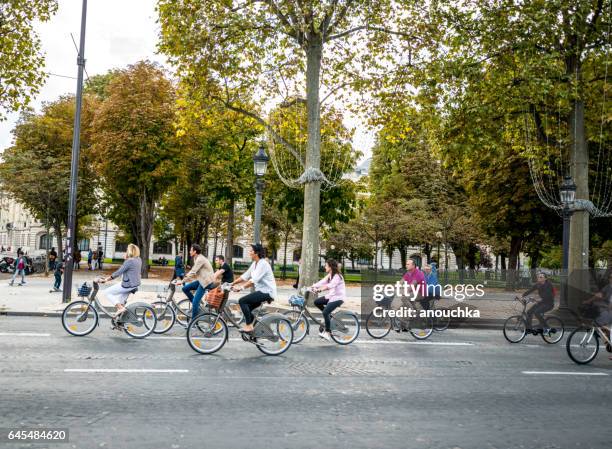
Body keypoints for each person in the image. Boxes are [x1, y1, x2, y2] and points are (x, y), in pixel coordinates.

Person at [231, 244, 277, 333]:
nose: (249, 252)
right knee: (247, 309)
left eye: (251, 251)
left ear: (257, 253)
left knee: (242, 301)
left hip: (267, 292)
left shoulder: (263, 263)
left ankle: (249, 326)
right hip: (261, 291)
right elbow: (245, 276)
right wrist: (232, 283)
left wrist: (241, 288)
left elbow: (253, 280)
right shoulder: (255, 263)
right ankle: (256, 329)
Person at [100, 243, 142, 319]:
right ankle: (120, 321)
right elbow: (131, 269)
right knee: (120, 302)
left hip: (127, 285)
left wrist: (106, 280)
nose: (126, 251)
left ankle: (121, 308)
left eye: (127, 250)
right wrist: (126, 259)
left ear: (130, 251)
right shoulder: (138, 260)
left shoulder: (129, 261)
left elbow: (119, 272)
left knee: (107, 292)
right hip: (134, 284)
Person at [309, 258, 346, 342]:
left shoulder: (337, 276)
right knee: (317, 302)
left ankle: (328, 333)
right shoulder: (330, 275)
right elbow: (322, 282)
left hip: (338, 298)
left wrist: (320, 289)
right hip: (331, 296)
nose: (325, 267)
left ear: (330, 267)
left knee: (325, 312)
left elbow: (330, 285)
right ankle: (328, 317)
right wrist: (312, 286)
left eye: (326, 265)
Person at [175, 244, 214, 320]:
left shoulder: (200, 259)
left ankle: (193, 322)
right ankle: (197, 306)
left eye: (190, 250)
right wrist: (186, 280)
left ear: (195, 251)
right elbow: (195, 273)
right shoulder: (196, 258)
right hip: (201, 281)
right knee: (185, 288)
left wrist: (182, 281)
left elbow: (193, 272)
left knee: (195, 302)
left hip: (206, 282)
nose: (189, 252)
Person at [583, 272, 612, 358]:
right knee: (599, 324)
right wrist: (588, 301)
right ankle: (608, 343)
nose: (611, 279)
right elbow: (598, 295)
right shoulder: (608, 287)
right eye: (610, 277)